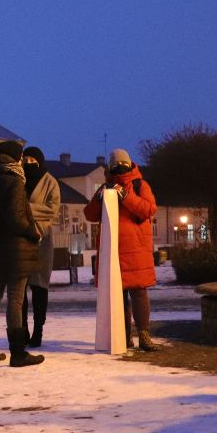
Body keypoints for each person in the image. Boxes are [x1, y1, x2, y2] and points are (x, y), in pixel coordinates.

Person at [0, 140, 44, 367]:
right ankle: (18, 353)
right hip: (15, 249)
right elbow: (16, 218)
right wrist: (32, 233)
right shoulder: (14, 182)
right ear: (14, 159)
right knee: (15, 300)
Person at [83, 148, 159, 350]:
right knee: (118, 296)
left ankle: (144, 334)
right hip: (112, 248)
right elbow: (90, 215)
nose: (120, 169)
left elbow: (148, 209)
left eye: (122, 165)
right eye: (115, 166)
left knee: (138, 293)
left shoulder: (140, 185)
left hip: (135, 249)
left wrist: (125, 196)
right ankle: (123, 336)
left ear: (129, 164)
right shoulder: (105, 188)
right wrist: (100, 196)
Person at [21, 146, 61, 347]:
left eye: (32, 160)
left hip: (42, 238)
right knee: (20, 287)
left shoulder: (50, 181)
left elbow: (52, 210)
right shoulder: (19, 180)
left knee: (40, 286)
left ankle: (38, 329)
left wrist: (27, 209)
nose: (28, 164)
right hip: (20, 238)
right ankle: (23, 329)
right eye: (25, 160)